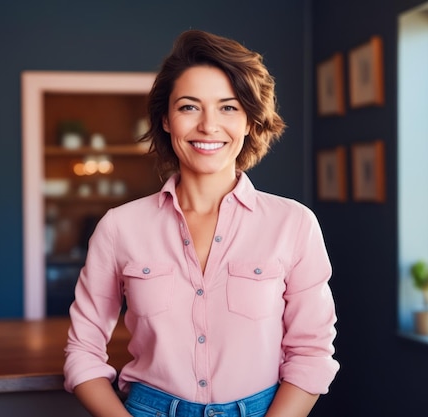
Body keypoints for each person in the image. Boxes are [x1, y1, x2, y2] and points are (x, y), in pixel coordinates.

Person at [63, 29, 340, 417]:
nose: (209, 126)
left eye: (228, 108)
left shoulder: (293, 224)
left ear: (249, 121)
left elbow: (311, 353)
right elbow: (83, 352)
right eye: (189, 107)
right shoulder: (119, 228)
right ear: (165, 119)